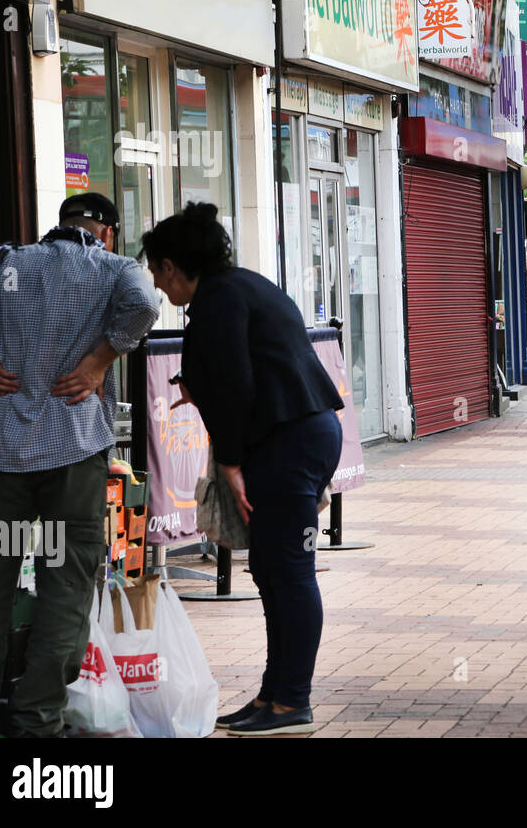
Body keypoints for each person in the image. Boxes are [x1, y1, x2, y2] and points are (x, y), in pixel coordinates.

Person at [142, 203, 344, 736]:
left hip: (291, 442)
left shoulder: (220, 298)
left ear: (170, 265)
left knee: (290, 571)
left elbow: (237, 385)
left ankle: (292, 702)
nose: (159, 287)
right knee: (270, 571)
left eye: (156, 274)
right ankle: (272, 695)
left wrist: (229, 463)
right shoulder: (236, 288)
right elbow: (239, 369)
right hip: (292, 436)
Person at [0, 192, 159, 738]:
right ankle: (35, 722)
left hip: (4, 460)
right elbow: (145, 304)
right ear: (108, 232)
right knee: (64, 589)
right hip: (72, 459)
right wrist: (100, 359)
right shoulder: (113, 267)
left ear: (60, 225)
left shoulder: (3, 262)